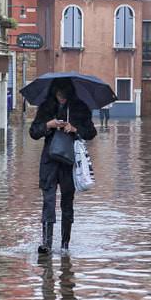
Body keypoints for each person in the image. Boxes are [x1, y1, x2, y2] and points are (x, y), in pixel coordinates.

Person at [29, 80, 97, 254]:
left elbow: (91, 132)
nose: (61, 99)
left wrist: (75, 128)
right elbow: (33, 132)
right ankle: (46, 244)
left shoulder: (80, 108)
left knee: (67, 203)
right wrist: (48, 125)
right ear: (54, 93)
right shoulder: (45, 107)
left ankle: (65, 245)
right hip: (49, 161)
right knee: (48, 201)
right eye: (58, 95)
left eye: (64, 95)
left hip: (69, 162)